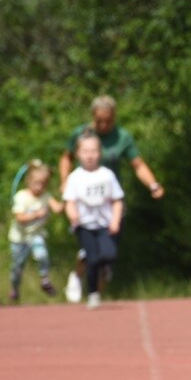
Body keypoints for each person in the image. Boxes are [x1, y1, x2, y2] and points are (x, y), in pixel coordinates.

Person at [58, 95, 164, 302]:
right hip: (84, 199)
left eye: (108, 121)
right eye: (99, 121)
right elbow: (66, 158)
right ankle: (79, 276)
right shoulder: (81, 134)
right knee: (89, 250)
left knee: (108, 254)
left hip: (109, 201)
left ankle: (95, 292)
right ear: (93, 117)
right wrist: (64, 181)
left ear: (114, 118)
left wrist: (153, 184)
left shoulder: (122, 137)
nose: (104, 125)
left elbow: (138, 165)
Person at [63, 131, 124, 309]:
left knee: (109, 255)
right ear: (78, 154)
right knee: (93, 260)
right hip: (84, 225)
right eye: (85, 151)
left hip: (104, 224)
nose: (90, 155)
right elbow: (69, 202)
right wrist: (72, 215)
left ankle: (98, 265)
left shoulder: (107, 175)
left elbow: (117, 200)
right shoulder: (75, 177)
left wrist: (115, 220)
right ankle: (92, 294)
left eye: (93, 151)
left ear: (100, 153)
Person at [8, 159, 64, 302]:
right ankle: (15, 288)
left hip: (36, 235)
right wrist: (36, 215)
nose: (40, 187)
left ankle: (44, 279)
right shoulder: (22, 196)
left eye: (43, 184)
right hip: (19, 239)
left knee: (42, 254)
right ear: (29, 181)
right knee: (17, 268)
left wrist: (67, 196)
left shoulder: (46, 196)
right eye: (36, 183)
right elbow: (20, 218)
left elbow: (57, 208)